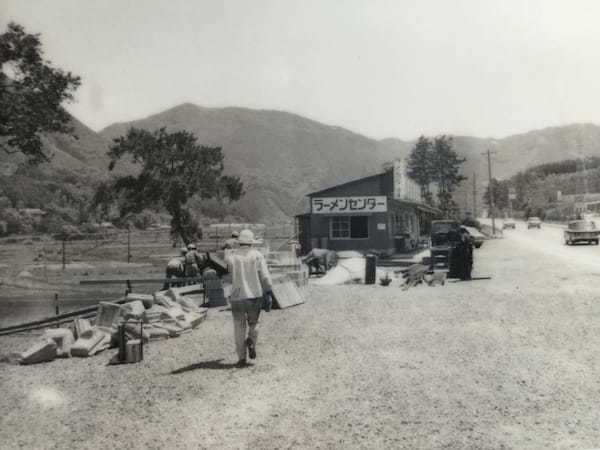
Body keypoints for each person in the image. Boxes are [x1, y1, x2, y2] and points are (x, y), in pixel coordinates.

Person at [225, 229, 274, 366]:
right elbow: (265, 276)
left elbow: (227, 276)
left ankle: (241, 358)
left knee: (239, 327)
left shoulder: (232, 257)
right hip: (254, 295)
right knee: (255, 322)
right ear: (251, 242)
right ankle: (251, 339)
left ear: (239, 242)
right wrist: (268, 291)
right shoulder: (257, 255)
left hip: (237, 295)